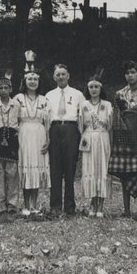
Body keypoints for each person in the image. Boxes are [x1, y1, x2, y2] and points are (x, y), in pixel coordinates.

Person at [108, 61, 137, 218]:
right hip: (124, 138)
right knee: (125, 172)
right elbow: (117, 118)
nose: (130, 75)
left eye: (133, 72)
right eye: (127, 73)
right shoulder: (119, 94)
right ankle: (126, 210)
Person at [45, 64, 85, 216]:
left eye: (63, 74)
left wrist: (81, 137)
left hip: (71, 129)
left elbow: (82, 117)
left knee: (70, 168)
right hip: (54, 129)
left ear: (68, 76)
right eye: (58, 74)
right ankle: (55, 207)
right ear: (54, 77)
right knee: (55, 168)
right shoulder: (48, 95)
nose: (60, 77)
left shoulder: (78, 94)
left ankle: (70, 207)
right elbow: (46, 117)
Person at [14, 52, 51, 215]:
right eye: (30, 79)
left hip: (39, 134)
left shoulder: (44, 100)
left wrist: (48, 140)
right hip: (23, 134)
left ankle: (34, 205)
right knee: (25, 166)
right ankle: (25, 205)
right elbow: (13, 120)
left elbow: (48, 123)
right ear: (24, 81)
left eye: (35, 79)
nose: (33, 81)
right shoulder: (18, 98)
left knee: (36, 168)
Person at [78, 76, 113, 218]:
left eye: (96, 87)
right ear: (88, 89)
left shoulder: (107, 104)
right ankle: (92, 203)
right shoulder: (83, 105)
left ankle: (101, 206)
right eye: (91, 87)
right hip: (89, 137)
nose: (93, 90)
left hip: (102, 137)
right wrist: (85, 137)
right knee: (90, 168)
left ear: (101, 88)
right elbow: (80, 125)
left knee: (101, 169)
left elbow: (110, 126)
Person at [0, 72, 20, 215]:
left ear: (10, 89)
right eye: (0, 88)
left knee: (12, 174)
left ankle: (12, 204)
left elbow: (20, 122)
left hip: (12, 138)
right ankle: (0, 205)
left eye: (6, 88)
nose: (3, 91)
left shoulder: (17, 105)